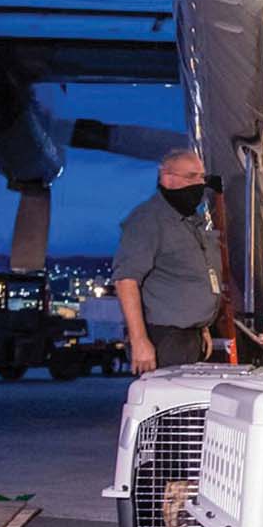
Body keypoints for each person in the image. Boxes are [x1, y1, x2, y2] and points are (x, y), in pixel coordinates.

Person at [112, 149, 221, 373]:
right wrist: (140, 341)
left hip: (191, 337)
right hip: (164, 339)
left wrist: (202, 327)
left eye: (202, 178)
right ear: (167, 178)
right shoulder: (147, 220)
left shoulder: (192, 220)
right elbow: (126, 280)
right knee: (168, 404)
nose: (200, 185)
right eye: (191, 177)